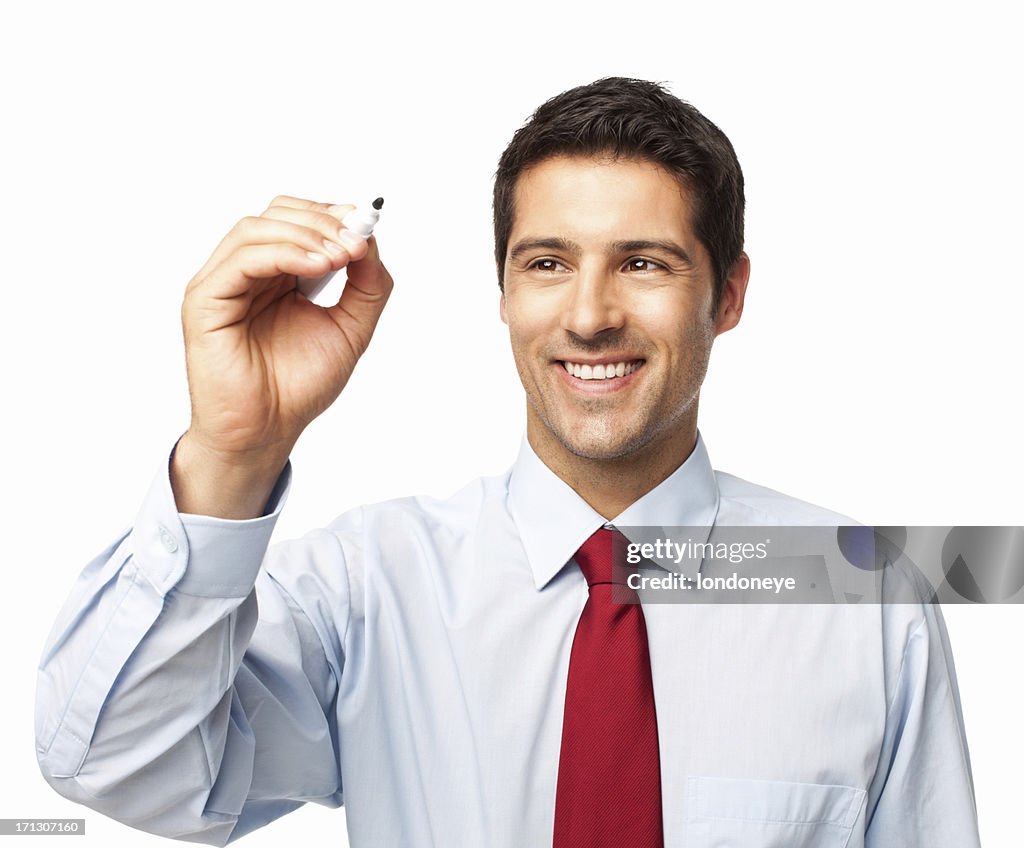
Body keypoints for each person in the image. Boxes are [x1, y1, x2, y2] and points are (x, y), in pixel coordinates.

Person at [35, 78, 980, 847]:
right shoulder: (370, 587)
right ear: (502, 291)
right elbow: (117, 767)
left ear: (728, 294)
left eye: (645, 263)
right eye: (547, 263)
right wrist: (233, 454)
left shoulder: (864, 596)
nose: (589, 315)